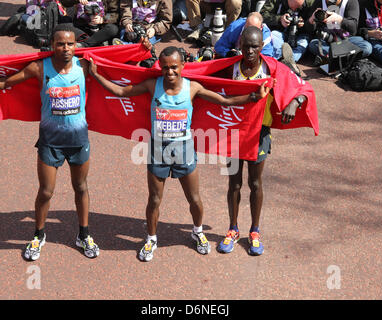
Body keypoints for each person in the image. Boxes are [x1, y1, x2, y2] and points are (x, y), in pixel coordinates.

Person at [88, 45, 273, 261]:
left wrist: (253, 97)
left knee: (194, 198)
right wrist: (95, 74)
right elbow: (120, 91)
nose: (170, 72)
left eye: (174, 67)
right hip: (159, 150)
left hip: (184, 151)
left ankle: (198, 232)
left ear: (183, 66)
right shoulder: (152, 85)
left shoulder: (192, 88)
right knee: (155, 200)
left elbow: (224, 101)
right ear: (161, 67)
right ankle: (151, 239)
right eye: (165, 68)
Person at [0, 24, 100, 261]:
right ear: (52, 45)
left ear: (76, 46)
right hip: (50, 142)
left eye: (70, 44)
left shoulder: (85, 66)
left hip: (78, 140)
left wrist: (142, 49)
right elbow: (6, 83)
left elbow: (123, 69)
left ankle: (84, 235)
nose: (66, 48)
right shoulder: (39, 67)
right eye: (60, 44)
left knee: (81, 188)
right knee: (46, 191)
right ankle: (38, 234)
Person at [213, 26, 308, 256]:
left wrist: (294, 103)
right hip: (234, 133)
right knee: (234, 184)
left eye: (255, 46)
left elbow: (303, 89)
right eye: (246, 46)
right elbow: (204, 76)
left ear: (262, 46)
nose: (250, 51)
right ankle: (233, 229)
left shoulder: (271, 68)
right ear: (240, 46)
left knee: (255, 183)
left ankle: (254, 231)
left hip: (259, 133)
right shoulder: (232, 67)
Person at [307, 0, 372, 66]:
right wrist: (312, 20)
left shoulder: (351, 2)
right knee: (313, 44)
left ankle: (332, 58)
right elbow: (308, 30)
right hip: (327, 40)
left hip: (347, 39)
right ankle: (346, 59)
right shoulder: (319, 2)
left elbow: (354, 28)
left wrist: (340, 20)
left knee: (367, 47)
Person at [261, 0, 316, 75]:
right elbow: (262, 15)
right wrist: (279, 19)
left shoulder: (312, 3)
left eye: (298, 8)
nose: (294, 11)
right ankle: (274, 62)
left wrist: (306, 23)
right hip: (280, 32)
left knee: (303, 43)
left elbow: (315, 27)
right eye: (291, 8)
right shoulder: (275, 1)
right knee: (273, 36)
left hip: (301, 35)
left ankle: (288, 61)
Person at [214, 12, 278, 59]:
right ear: (244, 24)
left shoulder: (266, 38)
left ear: (261, 27)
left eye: (254, 29)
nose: (250, 33)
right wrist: (228, 53)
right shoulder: (234, 27)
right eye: (247, 28)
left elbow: (267, 58)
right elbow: (219, 46)